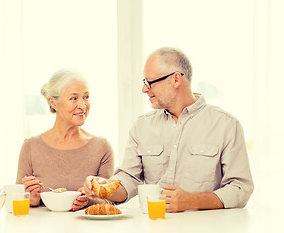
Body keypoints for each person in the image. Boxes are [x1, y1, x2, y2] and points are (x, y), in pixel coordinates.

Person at [83, 47, 254, 212]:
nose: (144, 89)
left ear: (176, 79)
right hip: (154, 226)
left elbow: (241, 188)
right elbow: (129, 178)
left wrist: (192, 200)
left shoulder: (226, 124)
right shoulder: (142, 126)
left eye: (149, 82)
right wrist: (105, 187)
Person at [16, 68, 115, 211]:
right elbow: (17, 200)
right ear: (53, 102)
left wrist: (88, 201)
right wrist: (31, 200)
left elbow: (111, 203)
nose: (83, 106)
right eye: (74, 98)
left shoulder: (102, 147)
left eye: (86, 97)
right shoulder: (30, 146)